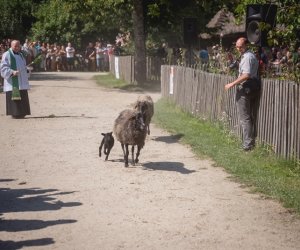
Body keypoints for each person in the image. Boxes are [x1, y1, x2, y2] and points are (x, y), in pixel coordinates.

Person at [225, 37, 260, 151]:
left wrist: (232, 84)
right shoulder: (250, 55)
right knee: (249, 117)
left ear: (246, 45)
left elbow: (246, 75)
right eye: (237, 46)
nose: (238, 48)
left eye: (240, 46)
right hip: (253, 87)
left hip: (245, 89)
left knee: (245, 118)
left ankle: (247, 145)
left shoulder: (247, 57)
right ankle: (249, 142)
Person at [0, 40, 31, 119]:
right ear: (11, 46)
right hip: (12, 81)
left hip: (21, 80)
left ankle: (22, 112)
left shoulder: (21, 55)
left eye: (18, 46)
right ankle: (15, 113)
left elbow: (23, 66)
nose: (17, 48)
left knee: (22, 95)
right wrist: (12, 72)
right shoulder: (6, 55)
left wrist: (27, 69)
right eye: (15, 46)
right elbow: (3, 67)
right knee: (14, 97)